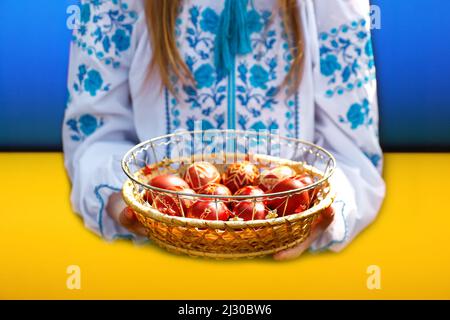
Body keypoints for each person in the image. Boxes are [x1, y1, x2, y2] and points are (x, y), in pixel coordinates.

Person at [63, 0, 385, 260]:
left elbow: (354, 158)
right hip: (158, 271)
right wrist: (123, 202)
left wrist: (318, 213)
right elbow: (94, 136)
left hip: (292, 280)